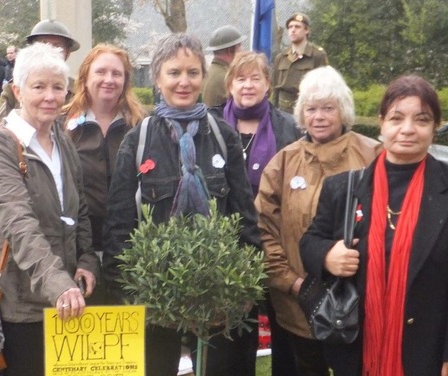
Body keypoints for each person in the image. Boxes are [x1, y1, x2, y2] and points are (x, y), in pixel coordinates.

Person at [103, 33, 260, 376]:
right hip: (156, 299)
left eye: (193, 72)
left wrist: (247, 289)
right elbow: (119, 221)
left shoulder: (222, 136)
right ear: (157, 78)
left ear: (204, 76)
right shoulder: (139, 139)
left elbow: (244, 214)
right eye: (174, 73)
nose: (184, 82)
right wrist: (126, 289)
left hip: (216, 295)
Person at [300, 75, 448, 376]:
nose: (408, 129)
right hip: (357, 348)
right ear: (381, 124)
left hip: (427, 350)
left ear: (435, 128)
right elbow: (309, 242)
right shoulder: (344, 188)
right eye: (396, 118)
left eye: (422, 120)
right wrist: (326, 255)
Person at [0, 43, 100, 375]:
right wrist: (56, 282)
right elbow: (18, 224)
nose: (50, 96)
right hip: (23, 304)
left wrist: (87, 260)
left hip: (66, 299)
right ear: (17, 90)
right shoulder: (0, 146)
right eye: (39, 87)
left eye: (58, 87)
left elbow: (80, 211)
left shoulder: (61, 140)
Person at [255, 66, 381, 375]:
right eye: (311, 108)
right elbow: (263, 229)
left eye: (328, 107)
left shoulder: (374, 156)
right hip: (299, 303)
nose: (319, 116)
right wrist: (293, 283)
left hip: (363, 304)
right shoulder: (283, 163)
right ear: (301, 113)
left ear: (343, 111)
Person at [210, 50, 302, 376]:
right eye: (240, 78)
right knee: (235, 339)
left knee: (286, 333)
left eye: (255, 78)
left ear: (268, 84)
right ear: (229, 84)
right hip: (228, 249)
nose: (247, 85)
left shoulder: (290, 127)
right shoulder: (210, 123)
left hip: (279, 246)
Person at [62, 44, 146, 296]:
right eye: (101, 72)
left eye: (116, 74)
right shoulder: (63, 125)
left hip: (131, 245)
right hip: (78, 246)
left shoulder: (142, 125)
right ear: (85, 78)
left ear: (125, 81)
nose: (109, 80)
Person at [0, 19, 80, 126]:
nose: (49, 51)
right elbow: (0, 129)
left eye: (56, 47)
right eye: (44, 45)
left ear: (67, 53)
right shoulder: (16, 87)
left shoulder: (78, 90)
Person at [272, 13, 328, 114]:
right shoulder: (281, 57)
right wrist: (273, 114)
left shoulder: (317, 55)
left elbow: (324, 88)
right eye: (290, 27)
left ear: (306, 30)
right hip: (282, 112)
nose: (293, 30)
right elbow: (275, 90)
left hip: (306, 111)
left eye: (297, 27)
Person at [202, 25, 246, 107]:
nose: (242, 50)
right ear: (230, 51)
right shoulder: (227, 78)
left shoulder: (206, 74)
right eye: (239, 46)